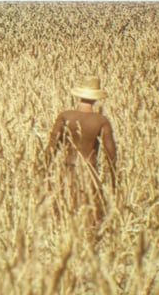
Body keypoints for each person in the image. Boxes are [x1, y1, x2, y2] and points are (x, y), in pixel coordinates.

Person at [44, 75, 117, 228]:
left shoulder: (65, 116)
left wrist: (44, 169)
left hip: (68, 170)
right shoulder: (101, 121)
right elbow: (110, 153)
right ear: (96, 98)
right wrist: (114, 178)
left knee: (63, 210)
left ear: (79, 96)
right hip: (90, 171)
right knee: (93, 216)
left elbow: (52, 146)